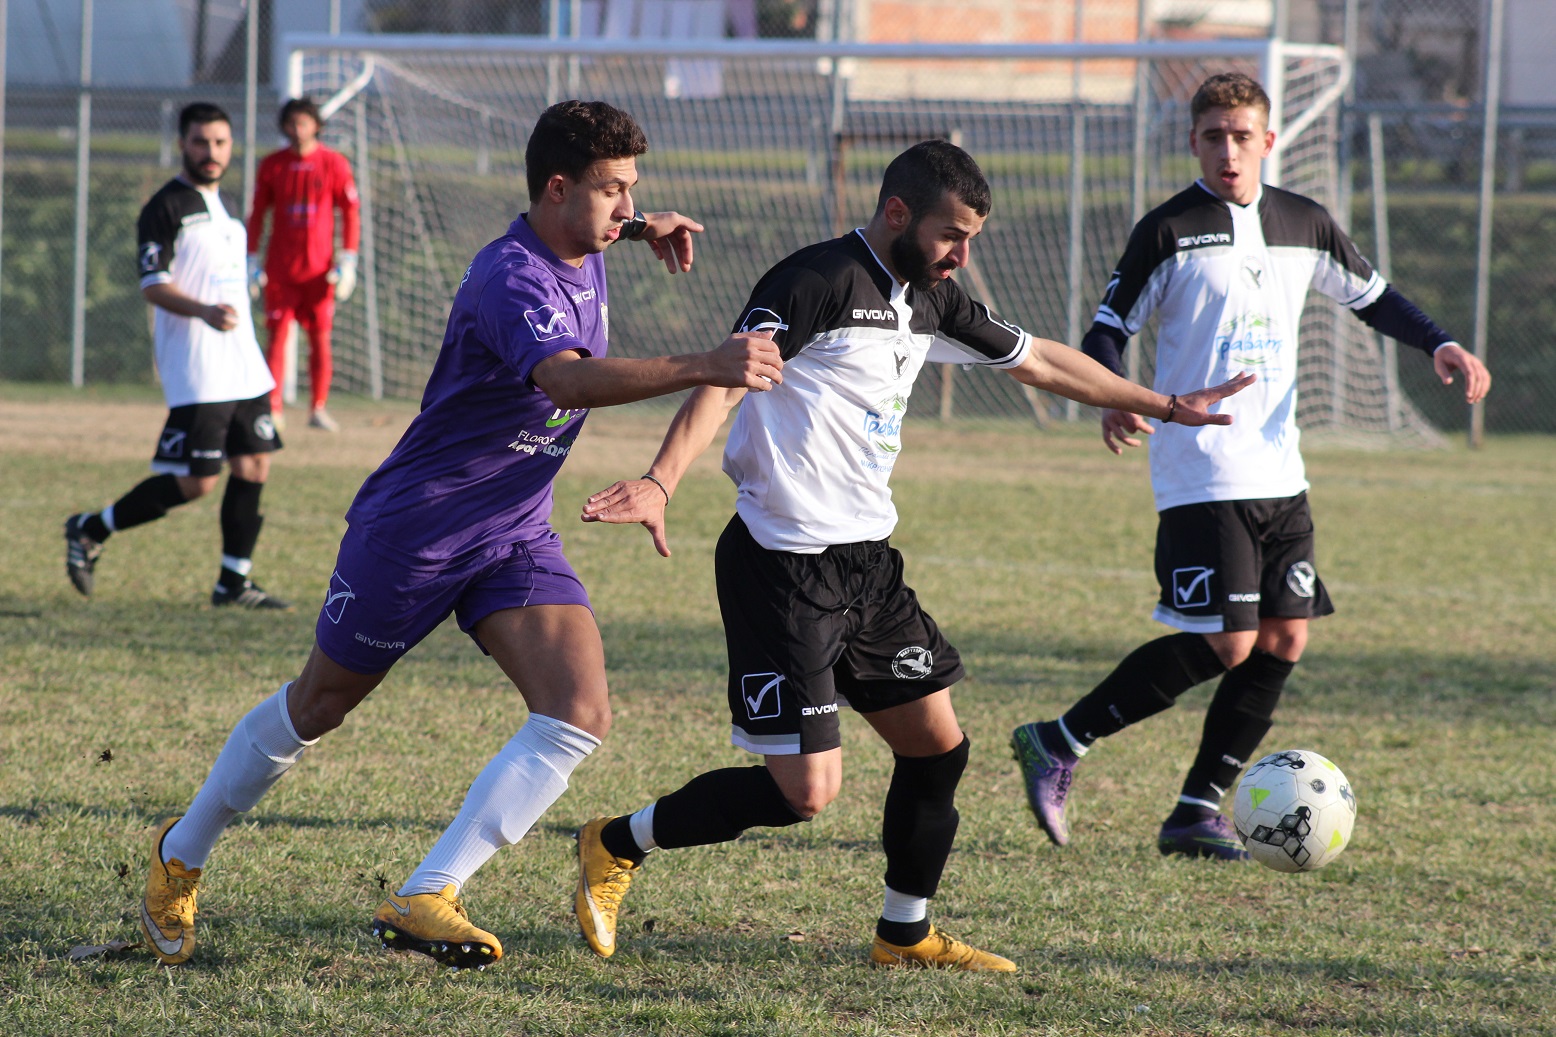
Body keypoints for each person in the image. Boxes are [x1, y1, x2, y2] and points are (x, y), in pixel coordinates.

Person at [572, 140, 1254, 972]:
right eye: (950, 235)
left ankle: (904, 933)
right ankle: (617, 841)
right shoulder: (817, 279)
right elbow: (726, 375)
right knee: (806, 793)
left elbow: (1040, 359)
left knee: (938, 747)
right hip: (782, 567)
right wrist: (660, 480)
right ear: (897, 212)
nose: (960, 255)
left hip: (868, 567)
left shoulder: (930, 296)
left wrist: (1166, 403)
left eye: (970, 239)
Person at [136, 99, 784, 968]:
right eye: (614, 190)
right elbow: (567, 380)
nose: (629, 205)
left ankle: (426, 893)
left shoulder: (583, 237)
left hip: (512, 530)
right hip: (418, 529)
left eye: (634, 188)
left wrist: (635, 225)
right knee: (319, 704)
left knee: (579, 709)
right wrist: (707, 363)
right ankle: (181, 849)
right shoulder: (511, 278)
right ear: (558, 189)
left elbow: (598, 237)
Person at [1010, 72, 1492, 861]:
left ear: (1268, 141)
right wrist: (1115, 396)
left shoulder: (1306, 222)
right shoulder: (1168, 230)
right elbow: (1106, 330)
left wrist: (1439, 341)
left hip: (1281, 472)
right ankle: (1059, 740)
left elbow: (1372, 296)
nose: (1228, 151)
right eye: (1213, 137)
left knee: (1283, 638)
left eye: (1242, 136)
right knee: (1227, 642)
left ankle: (1193, 811)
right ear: (1192, 142)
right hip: (1202, 468)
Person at [64, 102, 290, 610]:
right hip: (199, 366)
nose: (211, 152)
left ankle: (233, 583)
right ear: (182, 144)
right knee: (196, 482)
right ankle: (90, 528)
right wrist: (204, 311)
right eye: (200, 142)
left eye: (220, 142)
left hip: (243, 362)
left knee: (254, 464)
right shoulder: (164, 207)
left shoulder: (225, 202)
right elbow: (153, 284)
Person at [246, 95, 361, 432]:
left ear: (316, 125)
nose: (297, 130)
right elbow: (257, 214)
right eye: (291, 123)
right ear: (284, 126)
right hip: (280, 270)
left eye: (303, 122)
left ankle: (318, 408)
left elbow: (350, 213)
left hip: (319, 272)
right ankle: (273, 408)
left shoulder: (334, 163)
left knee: (320, 339)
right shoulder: (272, 165)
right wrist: (251, 258)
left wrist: (348, 259)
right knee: (277, 338)